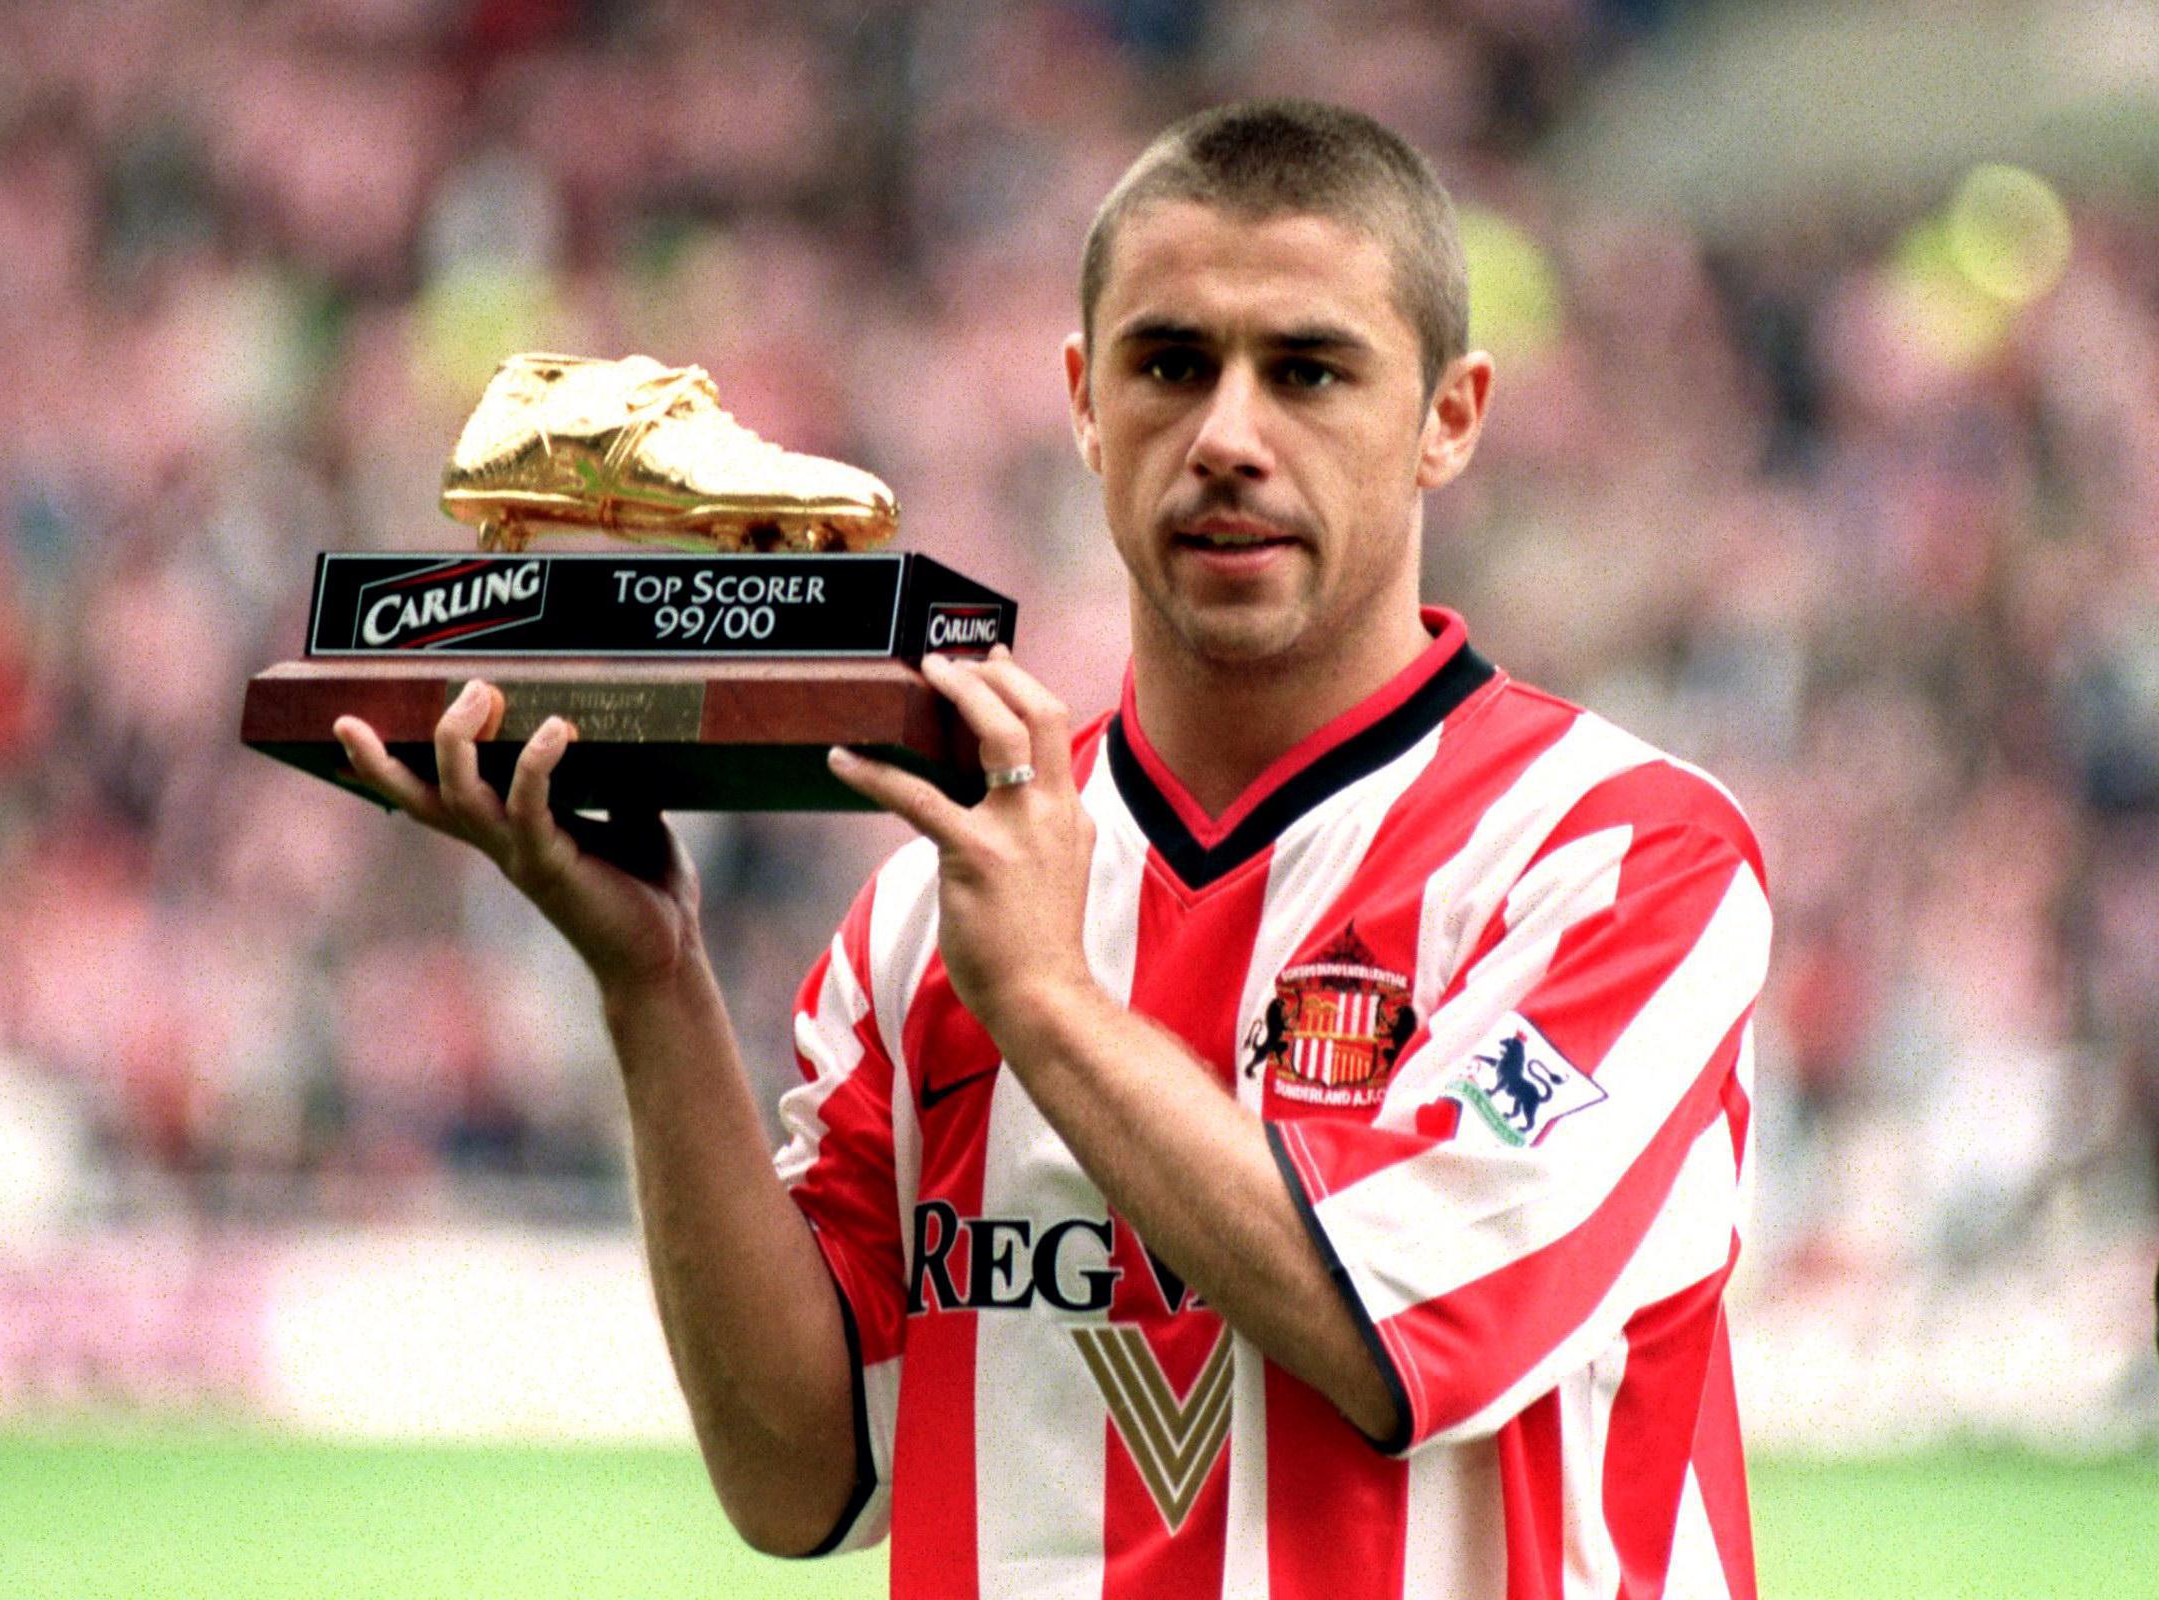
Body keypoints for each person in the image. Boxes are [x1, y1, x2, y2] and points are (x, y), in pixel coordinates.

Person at [333, 98, 1769, 1600]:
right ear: (1084, 401)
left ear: (1448, 418)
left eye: (1307, 371)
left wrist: (1049, 998)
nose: (1226, 435)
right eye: (1168, 364)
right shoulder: (919, 913)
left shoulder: (1622, 861)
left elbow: (1405, 1335)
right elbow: (795, 1480)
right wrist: (654, 984)